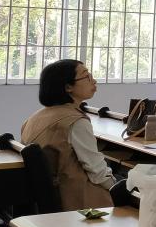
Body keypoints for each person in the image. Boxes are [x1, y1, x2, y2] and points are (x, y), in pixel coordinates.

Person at [21, 60, 115, 210]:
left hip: (52, 198)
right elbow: (98, 173)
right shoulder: (76, 122)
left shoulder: (34, 118)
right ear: (68, 87)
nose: (94, 80)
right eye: (87, 76)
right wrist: (123, 188)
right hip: (80, 202)